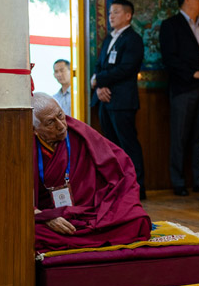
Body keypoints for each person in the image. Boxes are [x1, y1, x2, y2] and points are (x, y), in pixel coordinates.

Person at [32, 93, 151, 253]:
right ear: (34, 129)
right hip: (50, 214)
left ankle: (84, 237)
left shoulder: (79, 131)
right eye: (50, 123)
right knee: (31, 233)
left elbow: (121, 166)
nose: (61, 126)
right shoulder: (24, 146)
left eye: (61, 115)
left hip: (91, 210)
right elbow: (14, 195)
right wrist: (45, 217)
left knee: (137, 221)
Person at [91, 0, 146, 200]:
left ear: (128, 15)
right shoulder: (109, 38)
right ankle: (117, 187)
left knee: (128, 144)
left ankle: (137, 188)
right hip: (105, 100)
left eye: (115, 12)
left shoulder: (133, 39)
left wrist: (99, 80)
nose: (111, 16)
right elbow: (100, 65)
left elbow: (126, 68)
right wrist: (99, 87)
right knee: (111, 145)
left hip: (122, 101)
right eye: (110, 13)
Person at [160, 0, 199, 196]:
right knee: (179, 137)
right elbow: (169, 58)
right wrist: (192, 73)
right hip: (183, 88)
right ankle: (178, 181)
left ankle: (198, 180)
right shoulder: (171, 25)